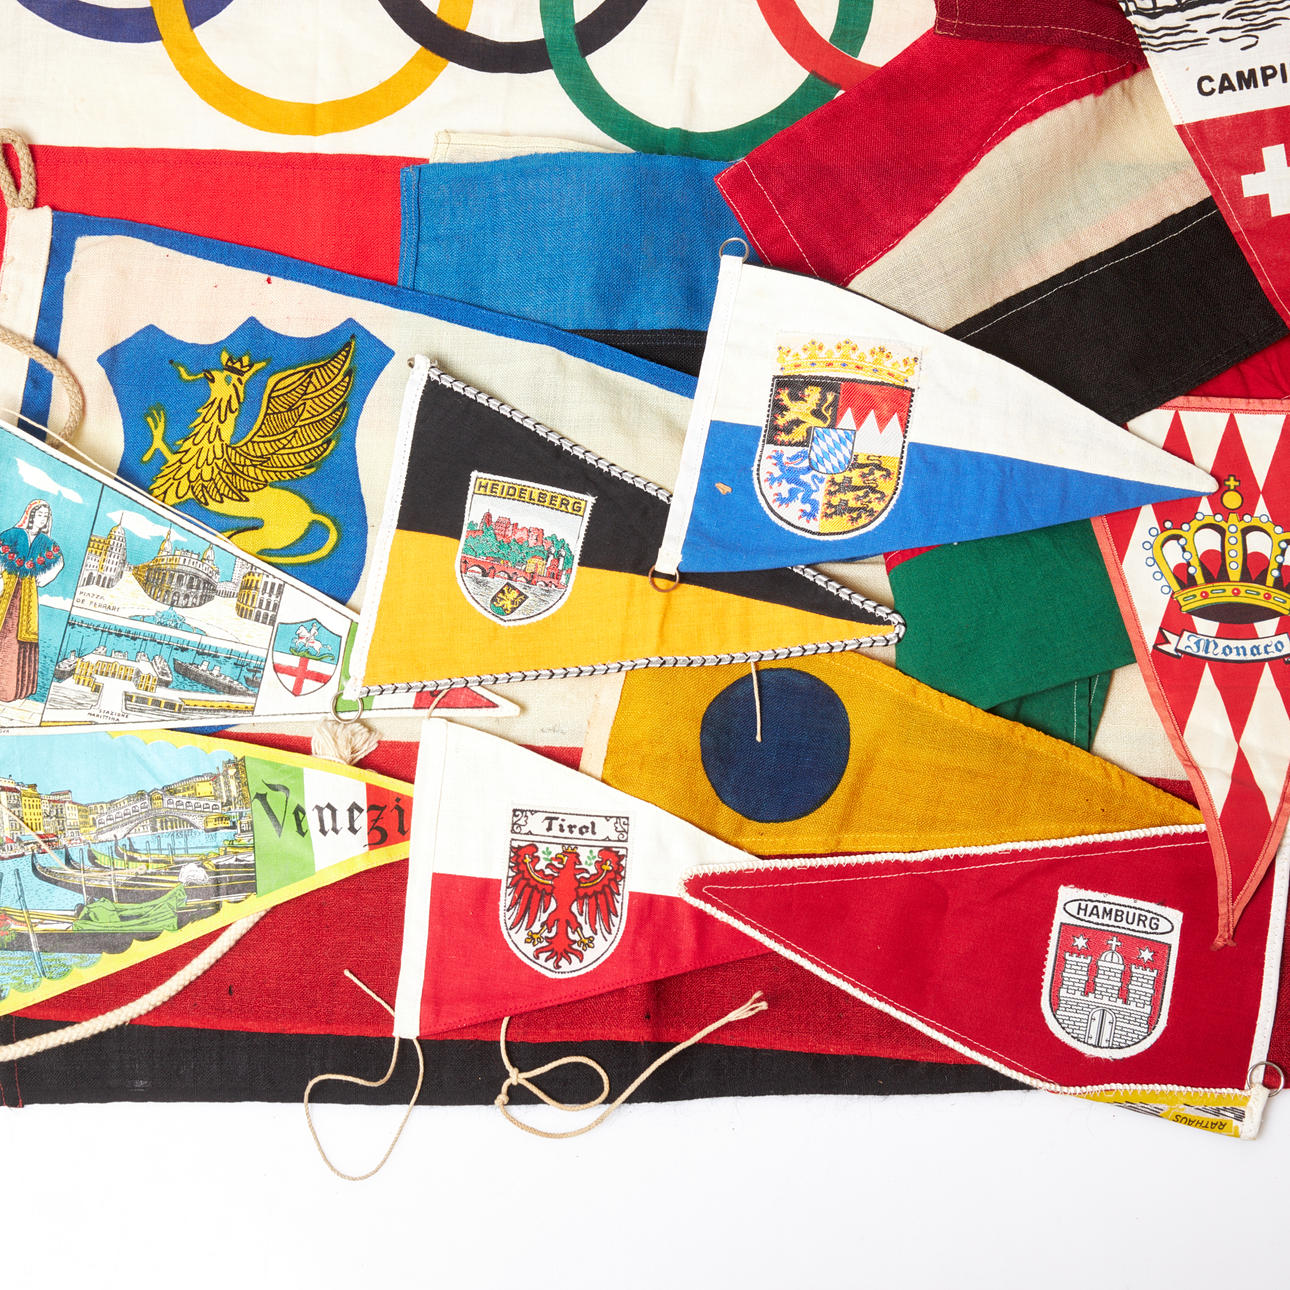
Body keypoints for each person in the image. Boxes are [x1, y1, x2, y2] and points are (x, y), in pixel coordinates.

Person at [0, 500, 63, 702]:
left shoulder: (46, 542)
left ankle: (9, 690)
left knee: (19, 638)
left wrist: (44, 578)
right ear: (31, 515)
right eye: (40, 514)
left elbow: (59, 562)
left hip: (27, 592)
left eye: (46, 516)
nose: (42, 519)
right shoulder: (13, 534)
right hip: (6, 587)